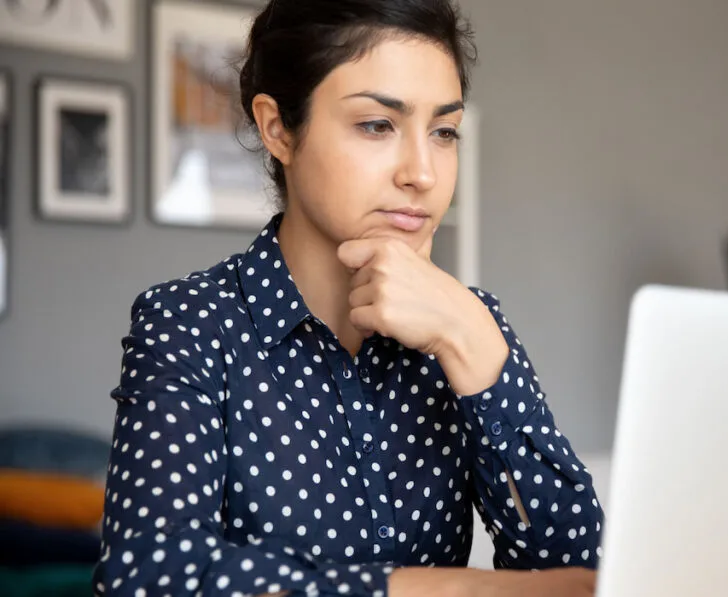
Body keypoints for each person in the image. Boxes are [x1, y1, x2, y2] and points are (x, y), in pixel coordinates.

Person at [91, 0, 604, 595]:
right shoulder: (190, 323)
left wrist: (472, 341)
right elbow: (148, 577)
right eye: (377, 125)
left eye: (443, 132)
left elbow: (581, 572)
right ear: (278, 127)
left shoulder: (466, 322)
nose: (423, 173)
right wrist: (463, 590)